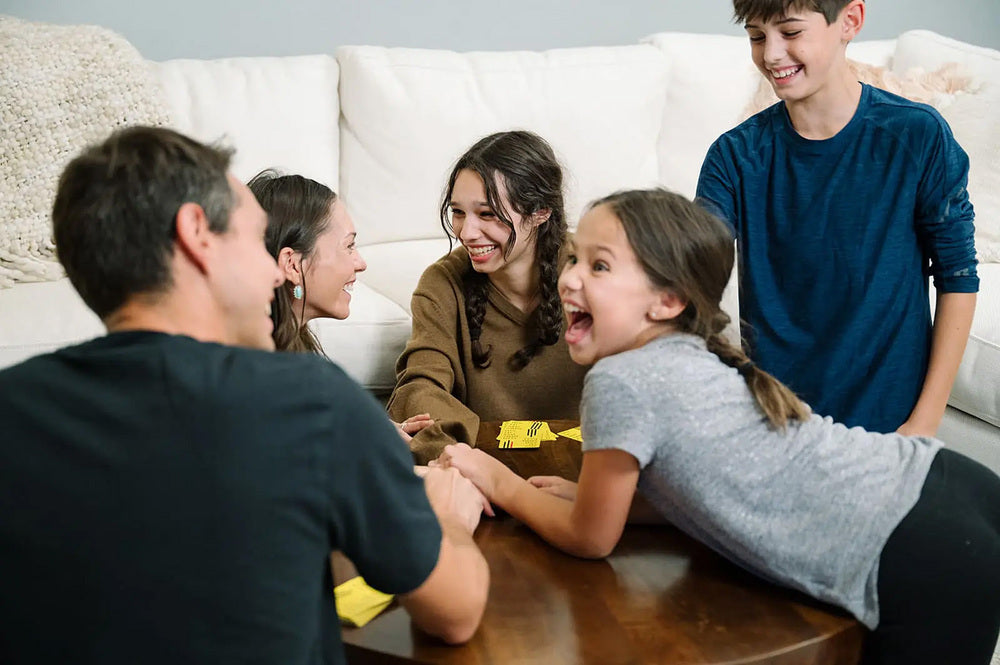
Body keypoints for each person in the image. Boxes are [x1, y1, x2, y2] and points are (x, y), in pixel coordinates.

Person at [438, 188, 1000, 665]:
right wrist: (596, 498)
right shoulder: (687, 352)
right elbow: (705, 482)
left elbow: (591, 539)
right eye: (574, 259)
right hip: (941, 490)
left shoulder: (620, 381)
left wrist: (497, 478)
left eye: (599, 265)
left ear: (667, 301)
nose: (570, 279)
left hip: (918, 550)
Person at [0, 126, 489, 665]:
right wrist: (445, 517)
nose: (270, 270)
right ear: (197, 234)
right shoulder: (311, 404)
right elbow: (456, 612)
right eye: (252, 238)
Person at [695, 0, 978, 436]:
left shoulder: (918, 135)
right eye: (756, 36)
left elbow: (958, 275)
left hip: (889, 427)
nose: (770, 54)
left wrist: (923, 424)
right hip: (775, 423)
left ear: (850, 21)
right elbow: (691, 273)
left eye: (790, 33)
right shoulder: (733, 157)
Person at [387, 130, 588, 464]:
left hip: (591, 475)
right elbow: (419, 386)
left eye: (487, 213)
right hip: (481, 472)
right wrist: (465, 460)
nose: (466, 233)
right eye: (458, 212)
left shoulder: (594, 270)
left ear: (541, 212)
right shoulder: (442, 283)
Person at [248, 170, 432, 441]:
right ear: (293, 265)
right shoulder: (261, 379)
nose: (361, 263)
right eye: (349, 246)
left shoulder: (292, 356)